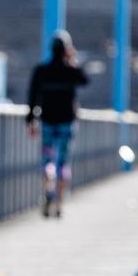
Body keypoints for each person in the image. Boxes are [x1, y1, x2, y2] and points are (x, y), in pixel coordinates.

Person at [25, 30, 89, 218]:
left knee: (47, 160)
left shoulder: (41, 71)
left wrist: (30, 119)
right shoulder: (71, 71)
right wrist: (73, 60)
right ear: (66, 50)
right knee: (63, 162)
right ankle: (59, 202)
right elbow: (84, 80)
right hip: (67, 123)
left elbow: (32, 97)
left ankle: (48, 190)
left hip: (47, 121)